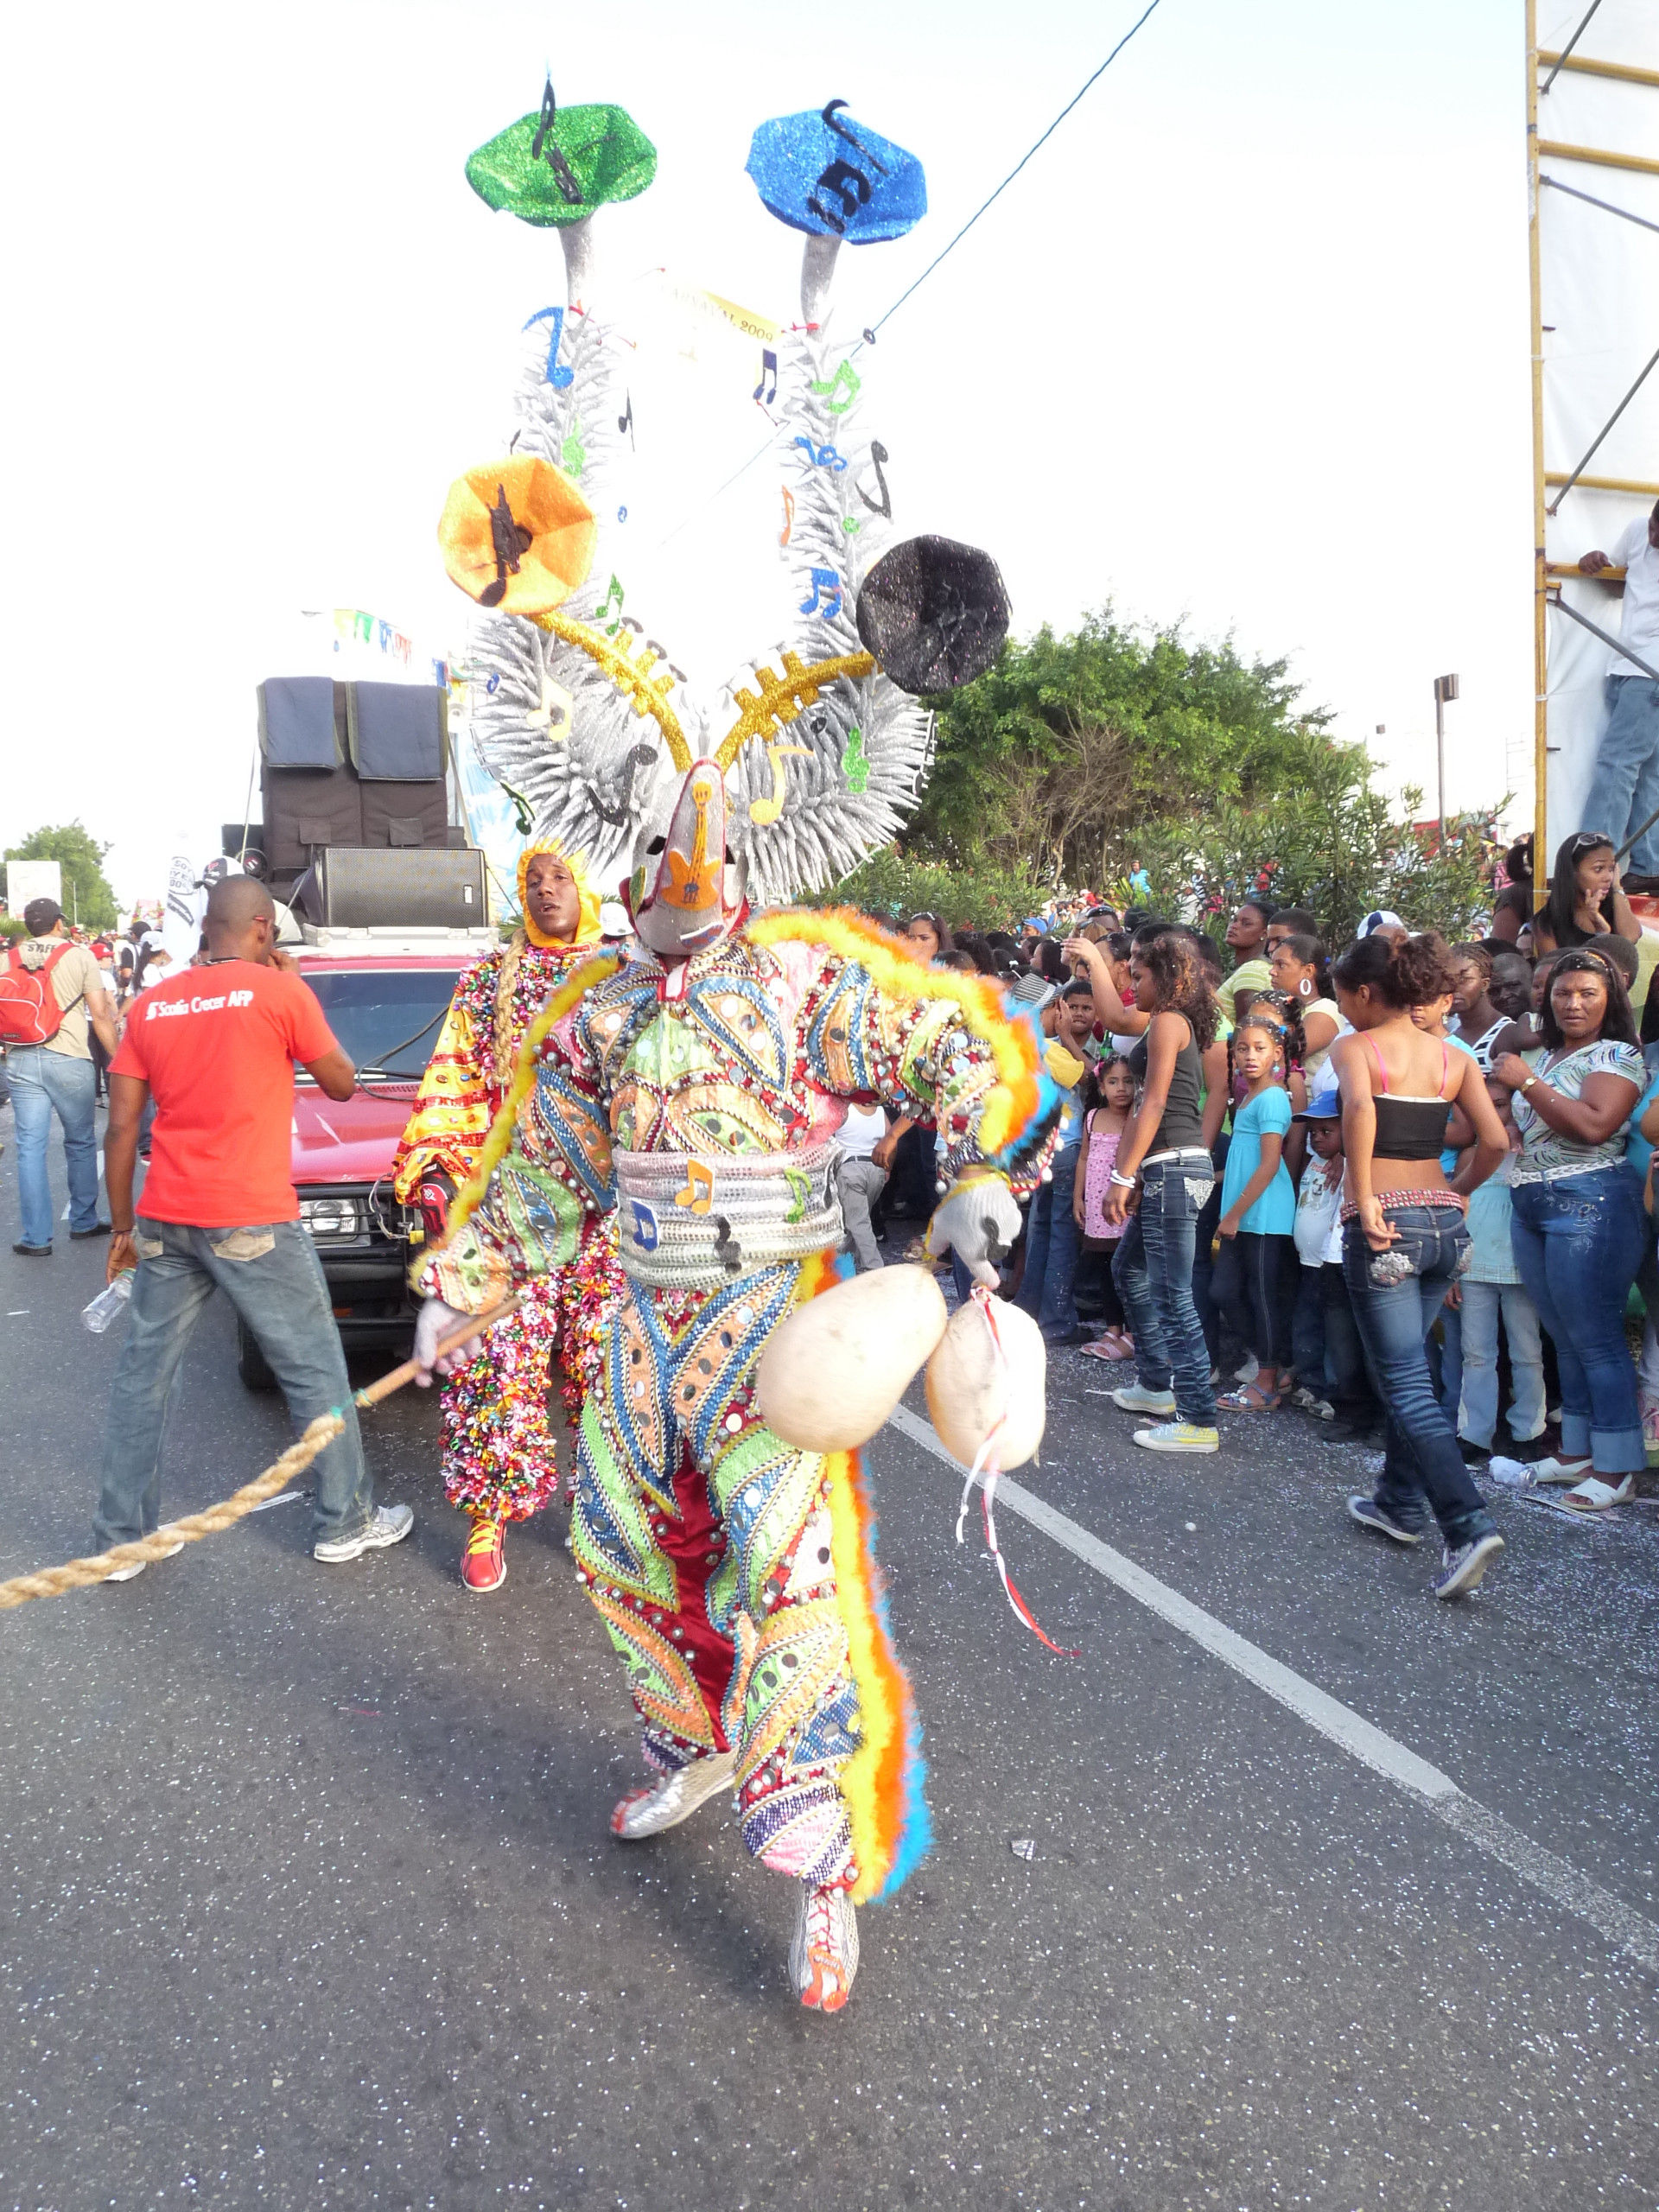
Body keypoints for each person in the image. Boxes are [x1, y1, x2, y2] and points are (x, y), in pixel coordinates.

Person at [92, 875, 413, 1573]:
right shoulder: (278, 992)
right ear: (264, 930)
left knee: (143, 1378)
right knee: (315, 1371)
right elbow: (339, 1082)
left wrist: (121, 1229)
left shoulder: (151, 1003)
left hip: (164, 1217)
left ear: (209, 929)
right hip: (251, 1215)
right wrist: (293, 989)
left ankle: (121, 1541)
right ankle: (344, 1521)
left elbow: (120, 1130)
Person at [391, 842, 625, 1593]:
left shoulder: (624, 980)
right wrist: (440, 1182)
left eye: (560, 878)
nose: (547, 890)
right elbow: (453, 1076)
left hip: (603, 1218)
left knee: (607, 1371)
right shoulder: (490, 979)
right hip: (508, 1215)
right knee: (493, 1362)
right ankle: (486, 1518)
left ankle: (604, 1515)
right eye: (533, 880)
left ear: (584, 890)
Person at [1327, 931, 1510, 1597]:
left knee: (1404, 1383)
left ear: (1370, 991)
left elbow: (1357, 1110)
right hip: (1444, 1228)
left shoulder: (1358, 1049)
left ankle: (1466, 1523)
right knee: (1416, 1375)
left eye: (1344, 997)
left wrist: (1368, 1197)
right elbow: (1492, 1140)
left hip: (1387, 1228)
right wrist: (1456, 1192)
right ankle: (1400, 1503)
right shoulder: (1452, 1058)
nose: (1343, 1009)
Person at [1491, 950, 1647, 1509]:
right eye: (1563, 993)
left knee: (1597, 1339)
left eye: (1587, 993)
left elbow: (1594, 1125)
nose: (1573, 1003)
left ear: (1611, 1000)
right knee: (1566, 1337)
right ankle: (1579, 1451)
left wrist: (1527, 1083)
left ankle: (1618, 1469)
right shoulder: (1553, 1056)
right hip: (1532, 1201)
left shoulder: (1618, 1054)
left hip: (1592, 1200)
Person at [1102, 931, 1222, 1453]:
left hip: (1174, 1167)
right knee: (1128, 1268)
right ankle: (1155, 1387)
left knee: (1174, 1294)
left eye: (1140, 974)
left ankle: (1197, 1417)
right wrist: (1126, 1173)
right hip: (1168, 1168)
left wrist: (1123, 1176)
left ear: (1167, 979)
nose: (1132, 981)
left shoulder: (1169, 1023)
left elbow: (1151, 1106)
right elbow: (1141, 1111)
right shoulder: (1166, 1024)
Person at [5, 896, 119, 1257]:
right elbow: (100, 1015)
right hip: (70, 1057)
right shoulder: (80, 955)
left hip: (21, 1060)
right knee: (81, 1141)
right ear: (58, 922)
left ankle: (36, 1238)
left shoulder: (8, 958)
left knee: (30, 1150)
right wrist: (119, 1059)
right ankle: (84, 1221)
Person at [1452, 1072, 1547, 1465]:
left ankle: (1528, 1433)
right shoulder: (1470, 1156)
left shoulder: (1528, 1150)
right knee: (1475, 1353)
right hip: (1474, 1267)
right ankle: (1474, 1434)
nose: (1492, 1113)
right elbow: (1456, 1214)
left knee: (1527, 1352)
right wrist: (1453, 1270)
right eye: (1484, 1105)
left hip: (1520, 1266)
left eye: (1501, 1105)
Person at [1212, 1012, 1298, 1411]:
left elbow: (1268, 1164)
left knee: (1262, 1297)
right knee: (1225, 1290)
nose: (1249, 1056)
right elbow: (1247, 1159)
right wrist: (1214, 1177)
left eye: (1259, 1049)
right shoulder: (1247, 1097)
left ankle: (1266, 1384)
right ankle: (1274, 1365)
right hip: (1244, 1212)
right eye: (1242, 1048)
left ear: (1277, 1053)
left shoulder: (1274, 1098)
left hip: (1264, 1216)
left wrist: (1232, 1214)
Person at [1576, 500, 1659, 892]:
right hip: (1626, 664)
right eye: (1654, 528)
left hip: (1651, 672)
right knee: (1646, 772)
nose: (1654, 539)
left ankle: (1594, 863)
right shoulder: (1638, 529)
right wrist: (1599, 564)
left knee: (1618, 765)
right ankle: (1648, 864)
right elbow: (1618, 585)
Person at [1014, 981, 1096, 1344]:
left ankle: (1029, 1308)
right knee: (1061, 1235)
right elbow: (1091, 1078)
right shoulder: (1049, 1049)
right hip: (1066, 1148)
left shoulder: (1020, 1046)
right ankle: (1056, 1321)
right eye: (1061, 1010)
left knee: (1040, 1229)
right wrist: (1066, 1036)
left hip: (1038, 1150)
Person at [1075, 1053, 1136, 1361]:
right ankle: (1113, 1327)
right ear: (1101, 1086)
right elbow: (1084, 1158)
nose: (1121, 1088)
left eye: (1128, 1081)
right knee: (1104, 1268)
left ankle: (1131, 1332)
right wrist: (1078, 1197)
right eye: (1113, 1081)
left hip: (1125, 1208)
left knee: (1126, 1269)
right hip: (1098, 1211)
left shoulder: (1137, 1119)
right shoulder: (1092, 1118)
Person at [1530, 830, 1640, 956]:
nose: (1608, 877)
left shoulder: (1615, 905)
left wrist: (1617, 887)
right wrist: (1601, 935)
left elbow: (1630, 937)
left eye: (1611, 869)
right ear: (1572, 872)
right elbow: (1556, 969)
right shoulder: (1547, 921)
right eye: (1598, 869)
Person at [834, 1099, 902, 1273]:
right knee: (856, 1221)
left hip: (851, 1170)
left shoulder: (844, 1110)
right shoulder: (879, 1111)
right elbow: (892, 1142)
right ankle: (840, 1264)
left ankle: (875, 1268)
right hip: (875, 1171)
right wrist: (888, 1168)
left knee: (858, 1222)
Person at [1267, 932, 1339, 1077]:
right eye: (1272, 964)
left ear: (1308, 971)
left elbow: (1284, 1056)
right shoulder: (1289, 1008)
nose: (1272, 971)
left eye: (1281, 965)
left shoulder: (1324, 1010)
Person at [1217, 897, 1272, 1020]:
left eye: (1246, 924)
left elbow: (1247, 1026)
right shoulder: (1255, 967)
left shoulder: (1252, 971)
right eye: (1234, 920)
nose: (1234, 926)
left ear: (1264, 934)